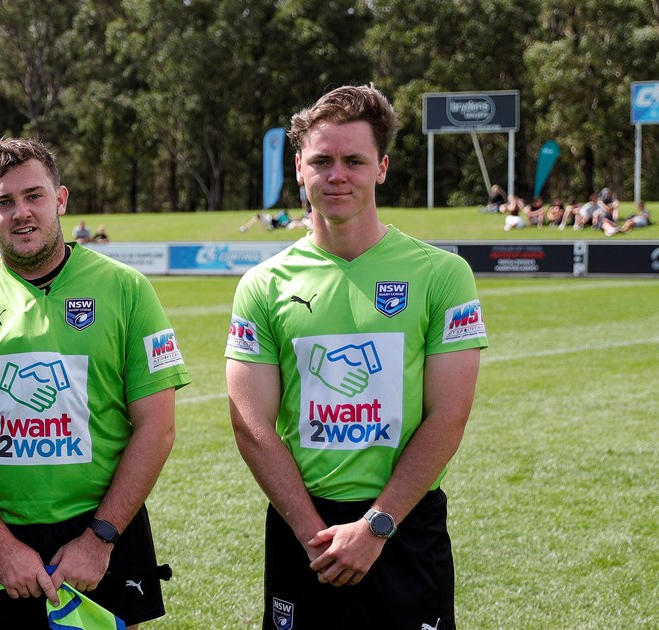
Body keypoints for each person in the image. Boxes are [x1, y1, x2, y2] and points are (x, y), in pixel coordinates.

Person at [224, 85, 487, 629]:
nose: (337, 174)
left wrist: (375, 527)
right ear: (299, 168)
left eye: (354, 160)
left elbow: (449, 414)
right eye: (322, 161)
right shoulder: (263, 285)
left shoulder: (442, 274)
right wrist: (310, 533)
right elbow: (251, 424)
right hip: (306, 527)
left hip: (404, 525)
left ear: (382, 167)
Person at [0, 137, 190, 629]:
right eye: (4, 202)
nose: (21, 213)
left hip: (103, 532)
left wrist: (100, 538)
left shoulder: (127, 290)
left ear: (60, 199)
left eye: (33, 196)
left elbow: (157, 428)